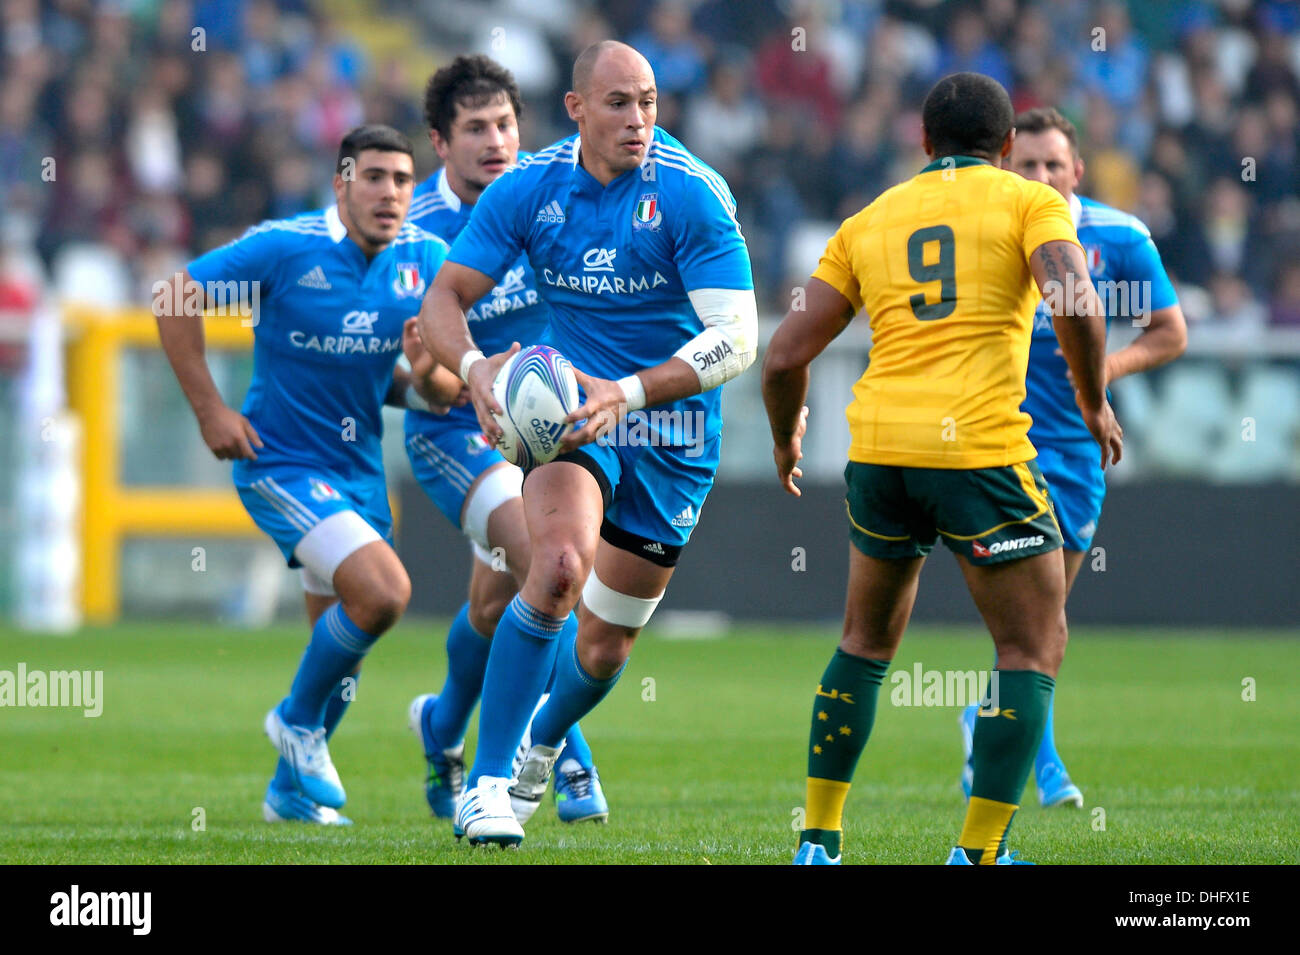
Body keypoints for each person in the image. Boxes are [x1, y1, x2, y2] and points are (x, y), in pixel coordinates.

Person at [761, 73, 1122, 865]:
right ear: (1005, 150)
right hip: (979, 455)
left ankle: (818, 841)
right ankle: (979, 855)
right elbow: (1078, 300)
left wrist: (786, 440)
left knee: (863, 641)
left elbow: (785, 352)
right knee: (1032, 646)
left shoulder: (869, 219)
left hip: (882, 455)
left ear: (923, 144)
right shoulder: (1031, 202)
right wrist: (1094, 405)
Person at [419, 40, 757, 846]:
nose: (638, 119)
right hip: (570, 415)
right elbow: (445, 296)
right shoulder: (529, 189)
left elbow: (738, 338)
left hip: (669, 429)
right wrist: (472, 370)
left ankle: (542, 739)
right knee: (560, 566)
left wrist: (631, 391)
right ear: (576, 110)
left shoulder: (691, 194)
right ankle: (489, 785)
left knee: (604, 650)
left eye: (647, 101)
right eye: (618, 103)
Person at [155, 125, 463, 825]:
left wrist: (425, 365)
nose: (390, 193)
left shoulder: (427, 259)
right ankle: (293, 722)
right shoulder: (285, 247)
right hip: (281, 464)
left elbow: (438, 393)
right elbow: (173, 298)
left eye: (403, 180)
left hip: (357, 475)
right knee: (384, 593)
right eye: (375, 176)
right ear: (342, 182)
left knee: (343, 657)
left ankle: (289, 792)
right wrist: (211, 410)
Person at [958, 106, 1187, 809]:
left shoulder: (1117, 237)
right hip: (998, 444)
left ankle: (983, 717)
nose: (1040, 176)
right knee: (1038, 623)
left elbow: (1171, 331)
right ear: (1005, 167)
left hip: (1080, 451)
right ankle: (1044, 765)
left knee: (1045, 623)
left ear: (1077, 171)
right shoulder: (983, 232)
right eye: (1026, 165)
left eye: (1053, 164)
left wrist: (1105, 373)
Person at [403, 54, 608, 827]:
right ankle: (562, 755)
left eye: (506, 125)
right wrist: (453, 375)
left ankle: (441, 723)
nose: (496, 141)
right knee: (544, 563)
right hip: (454, 430)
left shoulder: (548, 199)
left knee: (496, 607)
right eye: (476, 128)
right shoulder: (417, 234)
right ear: (439, 142)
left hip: (544, 430)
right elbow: (420, 381)